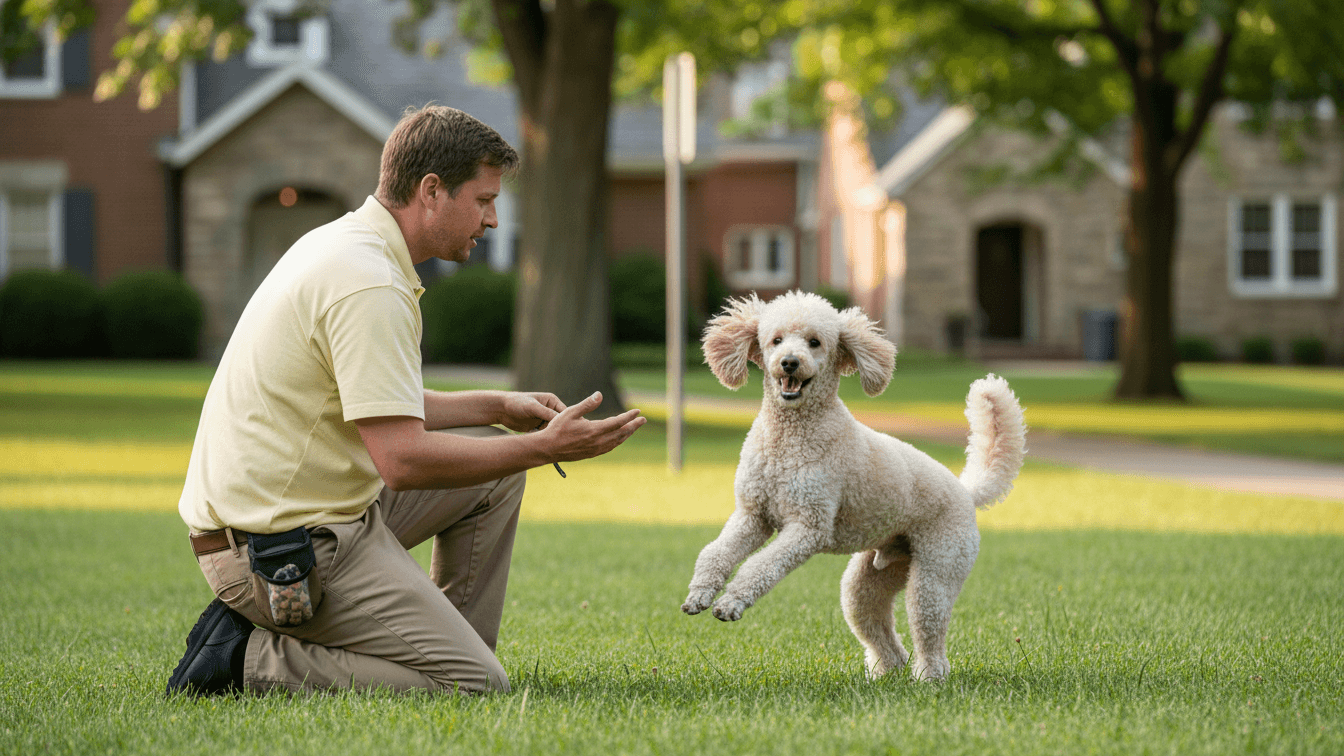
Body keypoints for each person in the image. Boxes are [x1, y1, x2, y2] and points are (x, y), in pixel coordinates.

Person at [166, 105, 645, 697]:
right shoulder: (370, 283)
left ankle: (448, 653)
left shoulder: (348, 245)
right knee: (476, 686)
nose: (493, 219)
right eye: (483, 200)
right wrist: (545, 447)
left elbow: (374, 400)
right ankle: (242, 658)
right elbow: (402, 460)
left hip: (308, 516)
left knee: (494, 475)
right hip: (278, 553)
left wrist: (497, 408)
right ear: (431, 191)